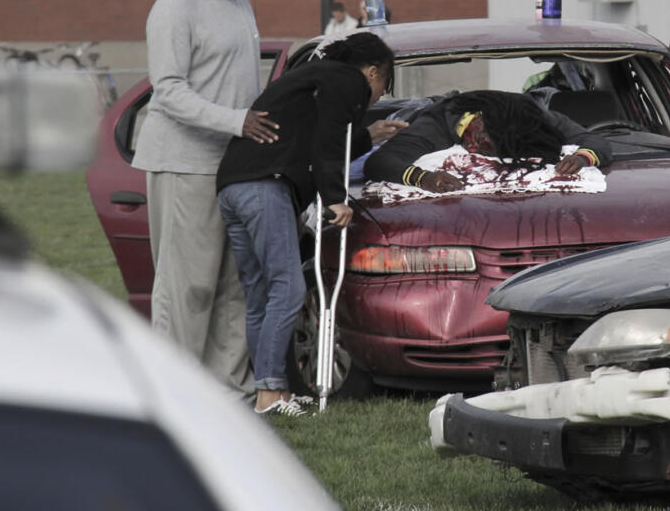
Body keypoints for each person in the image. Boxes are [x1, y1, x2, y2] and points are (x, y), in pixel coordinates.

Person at [216, 32, 401, 415]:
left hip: (234, 185)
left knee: (260, 294)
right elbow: (329, 141)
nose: (380, 95)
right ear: (371, 72)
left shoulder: (316, 77)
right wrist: (335, 199)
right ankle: (269, 393)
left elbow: (313, 138)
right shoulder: (346, 79)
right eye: (385, 83)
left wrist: (369, 135)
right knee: (288, 287)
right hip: (266, 187)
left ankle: (270, 391)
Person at [132, 0, 278, 401]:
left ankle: (230, 394)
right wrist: (239, 121)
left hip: (231, 166)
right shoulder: (175, 6)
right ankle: (174, 394)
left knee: (233, 282)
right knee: (186, 286)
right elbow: (169, 91)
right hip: (183, 162)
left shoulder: (237, 3)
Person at [364, 89, 611, 192]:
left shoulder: (534, 120)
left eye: (484, 151)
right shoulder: (433, 125)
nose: (472, 147)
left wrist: (582, 157)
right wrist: (424, 178)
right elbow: (380, 161)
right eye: (478, 139)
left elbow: (596, 142)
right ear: (481, 119)